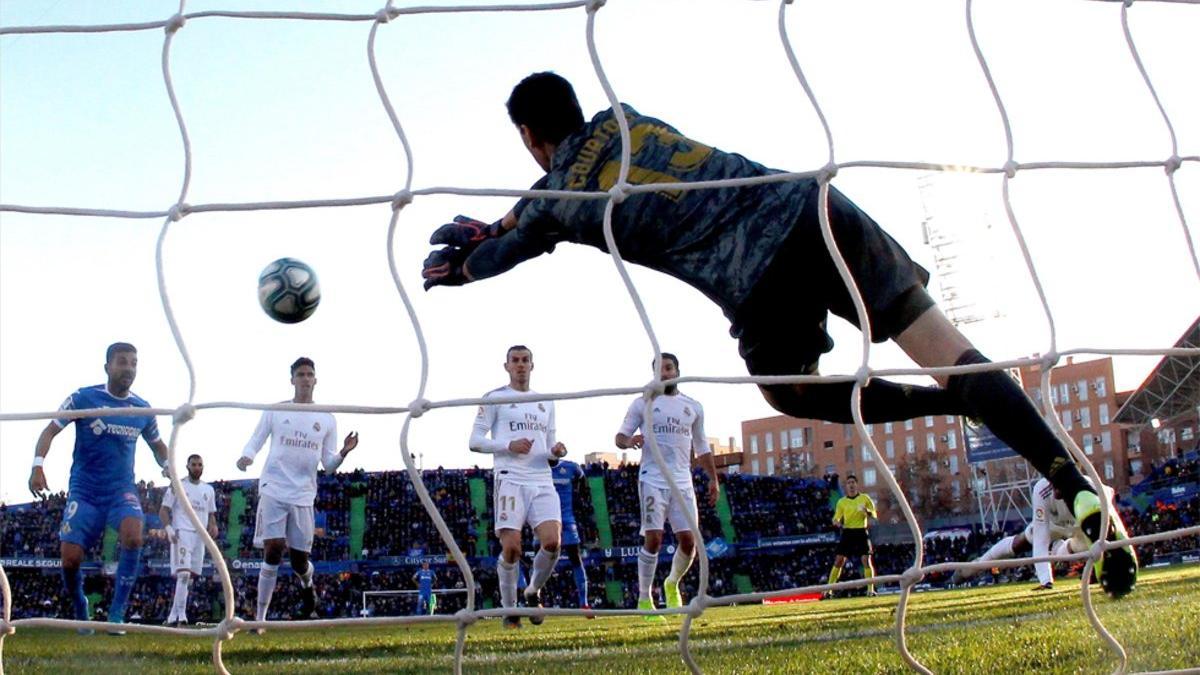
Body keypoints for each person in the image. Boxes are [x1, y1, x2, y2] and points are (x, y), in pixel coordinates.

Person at [421, 71, 1135, 598]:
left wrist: (466, 263)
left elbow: (503, 246)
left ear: (527, 137)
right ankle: (1072, 480)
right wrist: (509, 220)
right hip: (812, 202)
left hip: (759, 274)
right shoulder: (620, 114)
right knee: (955, 353)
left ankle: (951, 405)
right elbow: (540, 197)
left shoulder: (557, 199)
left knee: (790, 390)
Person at [29, 342, 170, 634]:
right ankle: (81, 608)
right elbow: (50, 430)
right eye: (122, 362)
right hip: (85, 492)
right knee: (70, 560)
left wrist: (167, 465)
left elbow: (157, 446)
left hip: (121, 491)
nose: (128, 368)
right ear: (107, 367)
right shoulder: (83, 398)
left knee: (133, 536)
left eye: (133, 363)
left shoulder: (143, 409)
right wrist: (38, 465)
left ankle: (117, 615)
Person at [238, 357, 359, 629]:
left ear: (316, 380)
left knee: (299, 560)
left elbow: (327, 466)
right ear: (292, 379)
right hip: (273, 486)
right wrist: (246, 456)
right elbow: (256, 438)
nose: (305, 378)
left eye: (309, 374)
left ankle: (308, 584)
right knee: (272, 549)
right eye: (301, 374)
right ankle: (260, 620)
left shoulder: (326, 417)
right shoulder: (276, 410)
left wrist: (343, 452)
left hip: (304, 493)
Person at [615, 353, 719, 620]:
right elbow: (620, 437)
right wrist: (629, 442)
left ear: (678, 370)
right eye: (659, 369)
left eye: (669, 368)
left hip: (682, 480)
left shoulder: (693, 406)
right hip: (652, 478)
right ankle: (644, 599)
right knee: (654, 539)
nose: (665, 373)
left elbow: (702, 446)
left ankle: (671, 583)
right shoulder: (643, 404)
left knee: (689, 541)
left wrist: (713, 478)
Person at [470, 345, 567, 628]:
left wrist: (556, 451)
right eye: (516, 361)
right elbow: (474, 441)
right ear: (507, 366)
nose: (521, 365)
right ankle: (509, 610)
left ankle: (533, 592)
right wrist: (507, 445)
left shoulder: (546, 401)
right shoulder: (494, 398)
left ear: (532, 366)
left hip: (541, 479)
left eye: (525, 360)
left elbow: (549, 449)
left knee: (552, 542)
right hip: (510, 477)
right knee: (511, 548)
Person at [953, 477, 1095, 589]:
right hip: (1051, 524)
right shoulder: (1042, 489)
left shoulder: (1091, 489)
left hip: (1081, 528)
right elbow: (1041, 538)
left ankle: (1060, 550)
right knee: (1022, 542)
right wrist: (1046, 580)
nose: (1054, 487)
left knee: (1080, 549)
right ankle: (976, 566)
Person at [159, 453, 219, 626]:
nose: (197, 467)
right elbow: (163, 510)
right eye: (194, 464)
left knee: (189, 577)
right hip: (182, 532)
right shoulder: (178, 485)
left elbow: (211, 514)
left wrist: (213, 525)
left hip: (200, 536)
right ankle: (181, 616)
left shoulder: (209, 490)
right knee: (183, 574)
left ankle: (172, 615)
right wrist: (169, 528)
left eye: (200, 464)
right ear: (187, 466)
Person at [825, 475, 877, 598]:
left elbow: (874, 514)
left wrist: (867, 512)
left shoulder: (865, 498)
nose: (851, 485)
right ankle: (829, 590)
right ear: (846, 486)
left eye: (853, 482)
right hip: (848, 533)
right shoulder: (842, 502)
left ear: (857, 484)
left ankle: (870, 589)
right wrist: (836, 521)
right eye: (849, 483)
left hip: (861, 532)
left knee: (866, 560)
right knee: (839, 561)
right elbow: (836, 517)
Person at [550, 458, 591, 611]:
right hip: (545, 520)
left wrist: (581, 497)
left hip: (567, 519)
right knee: (540, 559)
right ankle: (535, 599)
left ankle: (584, 603)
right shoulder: (536, 467)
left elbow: (582, 478)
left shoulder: (570, 467)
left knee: (575, 558)